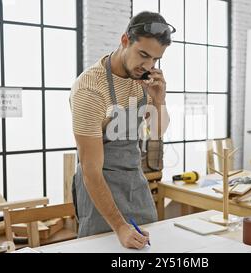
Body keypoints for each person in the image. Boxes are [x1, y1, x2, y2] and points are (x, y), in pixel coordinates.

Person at [70, 11, 173, 249]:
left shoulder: (143, 80)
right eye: (143, 55)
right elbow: (90, 171)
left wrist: (159, 100)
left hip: (135, 183)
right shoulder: (90, 89)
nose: (148, 66)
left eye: (155, 60)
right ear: (125, 40)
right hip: (99, 188)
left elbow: (156, 132)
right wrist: (120, 226)